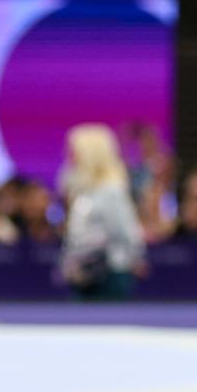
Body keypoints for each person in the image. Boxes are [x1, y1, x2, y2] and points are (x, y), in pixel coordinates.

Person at [58, 124, 146, 300]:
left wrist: (133, 259)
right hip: (83, 273)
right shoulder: (83, 191)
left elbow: (126, 232)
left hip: (110, 274)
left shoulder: (111, 190)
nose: (69, 156)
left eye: (74, 151)